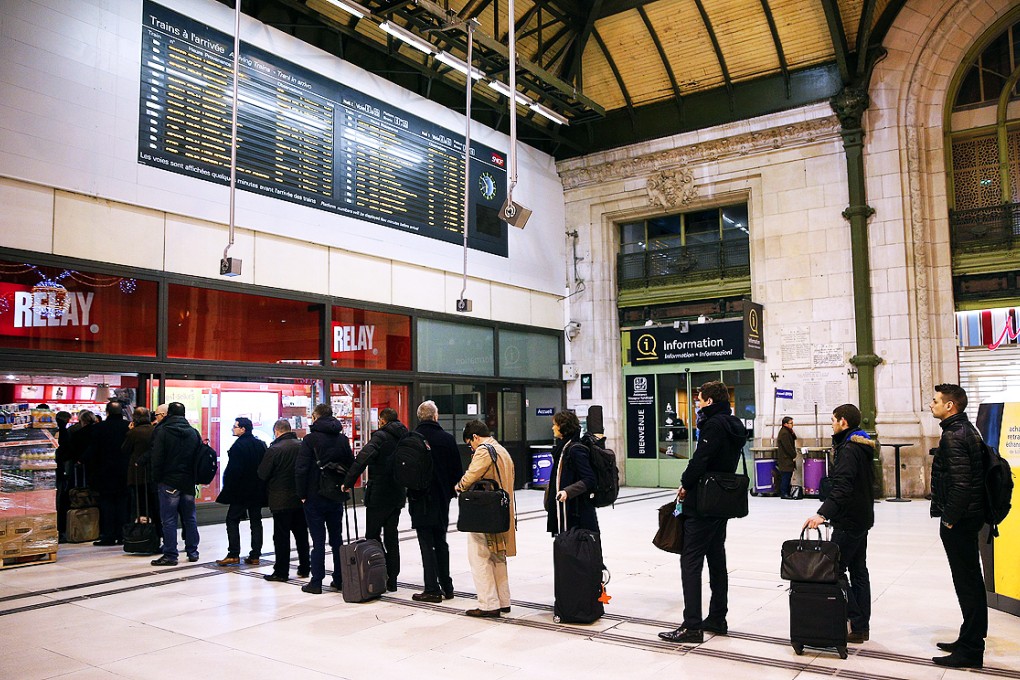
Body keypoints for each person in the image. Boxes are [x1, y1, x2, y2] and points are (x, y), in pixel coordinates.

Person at [659, 380, 746, 643]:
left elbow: (701, 459)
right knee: (716, 559)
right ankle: (718, 618)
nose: (697, 402)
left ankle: (692, 625)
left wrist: (685, 483)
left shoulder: (713, 424)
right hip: (722, 501)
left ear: (709, 401)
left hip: (703, 501)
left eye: (699, 399)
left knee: (691, 560)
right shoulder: (734, 424)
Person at [803, 404, 876, 644]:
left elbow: (842, 487)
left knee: (833, 570)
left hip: (848, 520)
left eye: (833, 420)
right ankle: (860, 627)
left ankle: (855, 618)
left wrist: (822, 514)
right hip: (861, 517)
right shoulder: (862, 445)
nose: (831, 424)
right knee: (859, 571)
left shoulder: (848, 449)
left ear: (843, 422)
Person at [929, 383, 987, 669]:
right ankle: (968, 637)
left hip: (961, 521)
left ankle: (972, 650)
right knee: (970, 581)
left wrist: (949, 518)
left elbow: (962, 485)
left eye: (936, 400)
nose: (932, 404)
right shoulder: (965, 429)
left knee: (968, 584)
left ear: (950, 406)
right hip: (969, 518)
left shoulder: (953, 435)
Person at [342, 407, 408, 592]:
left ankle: (377, 572)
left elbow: (363, 458)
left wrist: (348, 481)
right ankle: (393, 578)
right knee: (392, 536)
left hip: (379, 494)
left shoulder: (381, 437)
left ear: (382, 421)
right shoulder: (405, 436)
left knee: (372, 535)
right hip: (397, 493)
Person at [457, 420, 516, 618]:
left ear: (474, 437)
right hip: (501, 512)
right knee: (498, 555)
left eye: (469, 443)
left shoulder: (484, 450)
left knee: (479, 556)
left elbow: (471, 477)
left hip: (484, 512)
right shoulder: (502, 450)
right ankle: (503, 601)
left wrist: (459, 486)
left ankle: (488, 603)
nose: (471, 448)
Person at [408, 400, 463, 602]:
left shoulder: (410, 439)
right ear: (435, 416)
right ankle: (447, 587)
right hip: (441, 499)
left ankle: (431, 588)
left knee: (425, 542)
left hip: (418, 498)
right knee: (440, 540)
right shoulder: (447, 439)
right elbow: (457, 472)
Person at [296, 403, 354, 594]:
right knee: (337, 539)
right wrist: (344, 486)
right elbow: (351, 465)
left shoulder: (310, 440)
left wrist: (302, 494)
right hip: (335, 495)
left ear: (316, 417)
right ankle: (339, 579)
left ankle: (316, 582)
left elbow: (301, 469)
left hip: (314, 496)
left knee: (318, 541)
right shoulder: (342, 439)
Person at [148, 402, 201, 566]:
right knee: (190, 518)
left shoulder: (163, 431)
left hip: (169, 480)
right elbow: (199, 456)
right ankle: (193, 551)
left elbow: (157, 457)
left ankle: (171, 554)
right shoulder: (193, 432)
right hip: (188, 481)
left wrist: (156, 478)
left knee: (169, 520)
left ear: (169, 414)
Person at [258, 419, 310, 582]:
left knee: (281, 537)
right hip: (300, 498)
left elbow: (262, 473)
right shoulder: (302, 446)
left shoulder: (274, 449)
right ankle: (304, 567)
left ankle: (281, 571)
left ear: (277, 431)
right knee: (301, 534)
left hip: (280, 499)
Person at [215, 417, 267, 567]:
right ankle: (255, 555)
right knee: (256, 521)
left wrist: (228, 489)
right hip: (257, 490)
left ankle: (233, 554)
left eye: (235, 426)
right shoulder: (260, 444)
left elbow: (234, 471)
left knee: (232, 520)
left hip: (241, 491)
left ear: (243, 429)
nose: (233, 428)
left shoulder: (238, 446)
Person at [84, 401, 131, 546]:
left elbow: (93, 450)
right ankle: (123, 534)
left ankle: (108, 535)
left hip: (105, 472)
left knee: (107, 504)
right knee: (123, 503)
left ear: (107, 412)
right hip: (125, 471)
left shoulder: (99, 428)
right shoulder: (128, 427)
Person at [544, 410, 598, 535]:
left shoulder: (575, 449)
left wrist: (567, 491)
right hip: (565, 508)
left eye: (555, 424)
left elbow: (589, 479)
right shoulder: (562, 448)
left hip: (575, 510)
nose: (553, 428)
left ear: (563, 427)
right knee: (565, 544)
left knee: (575, 546)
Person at [123, 407, 159, 533]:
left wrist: (130, 431)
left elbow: (125, 450)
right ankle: (153, 531)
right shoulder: (155, 430)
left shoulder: (134, 432)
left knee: (139, 503)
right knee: (152, 503)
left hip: (137, 473)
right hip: (153, 472)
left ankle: (139, 531)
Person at [54, 410, 73, 543]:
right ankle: (60, 530)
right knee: (59, 499)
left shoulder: (53, 429)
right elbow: (66, 450)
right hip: (59, 469)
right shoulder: (63, 431)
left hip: (53, 468)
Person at [776, 416, 798, 499]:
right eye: (791, 423)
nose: (792, 425)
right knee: (786, 476)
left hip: (786, 458)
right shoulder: (784, 433)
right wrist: (793, 454)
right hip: (786, 458)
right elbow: (788, 446)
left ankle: (786, 492)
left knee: (787, 475)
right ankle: (784, 493)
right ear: (785, 424)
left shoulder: (787, 431)